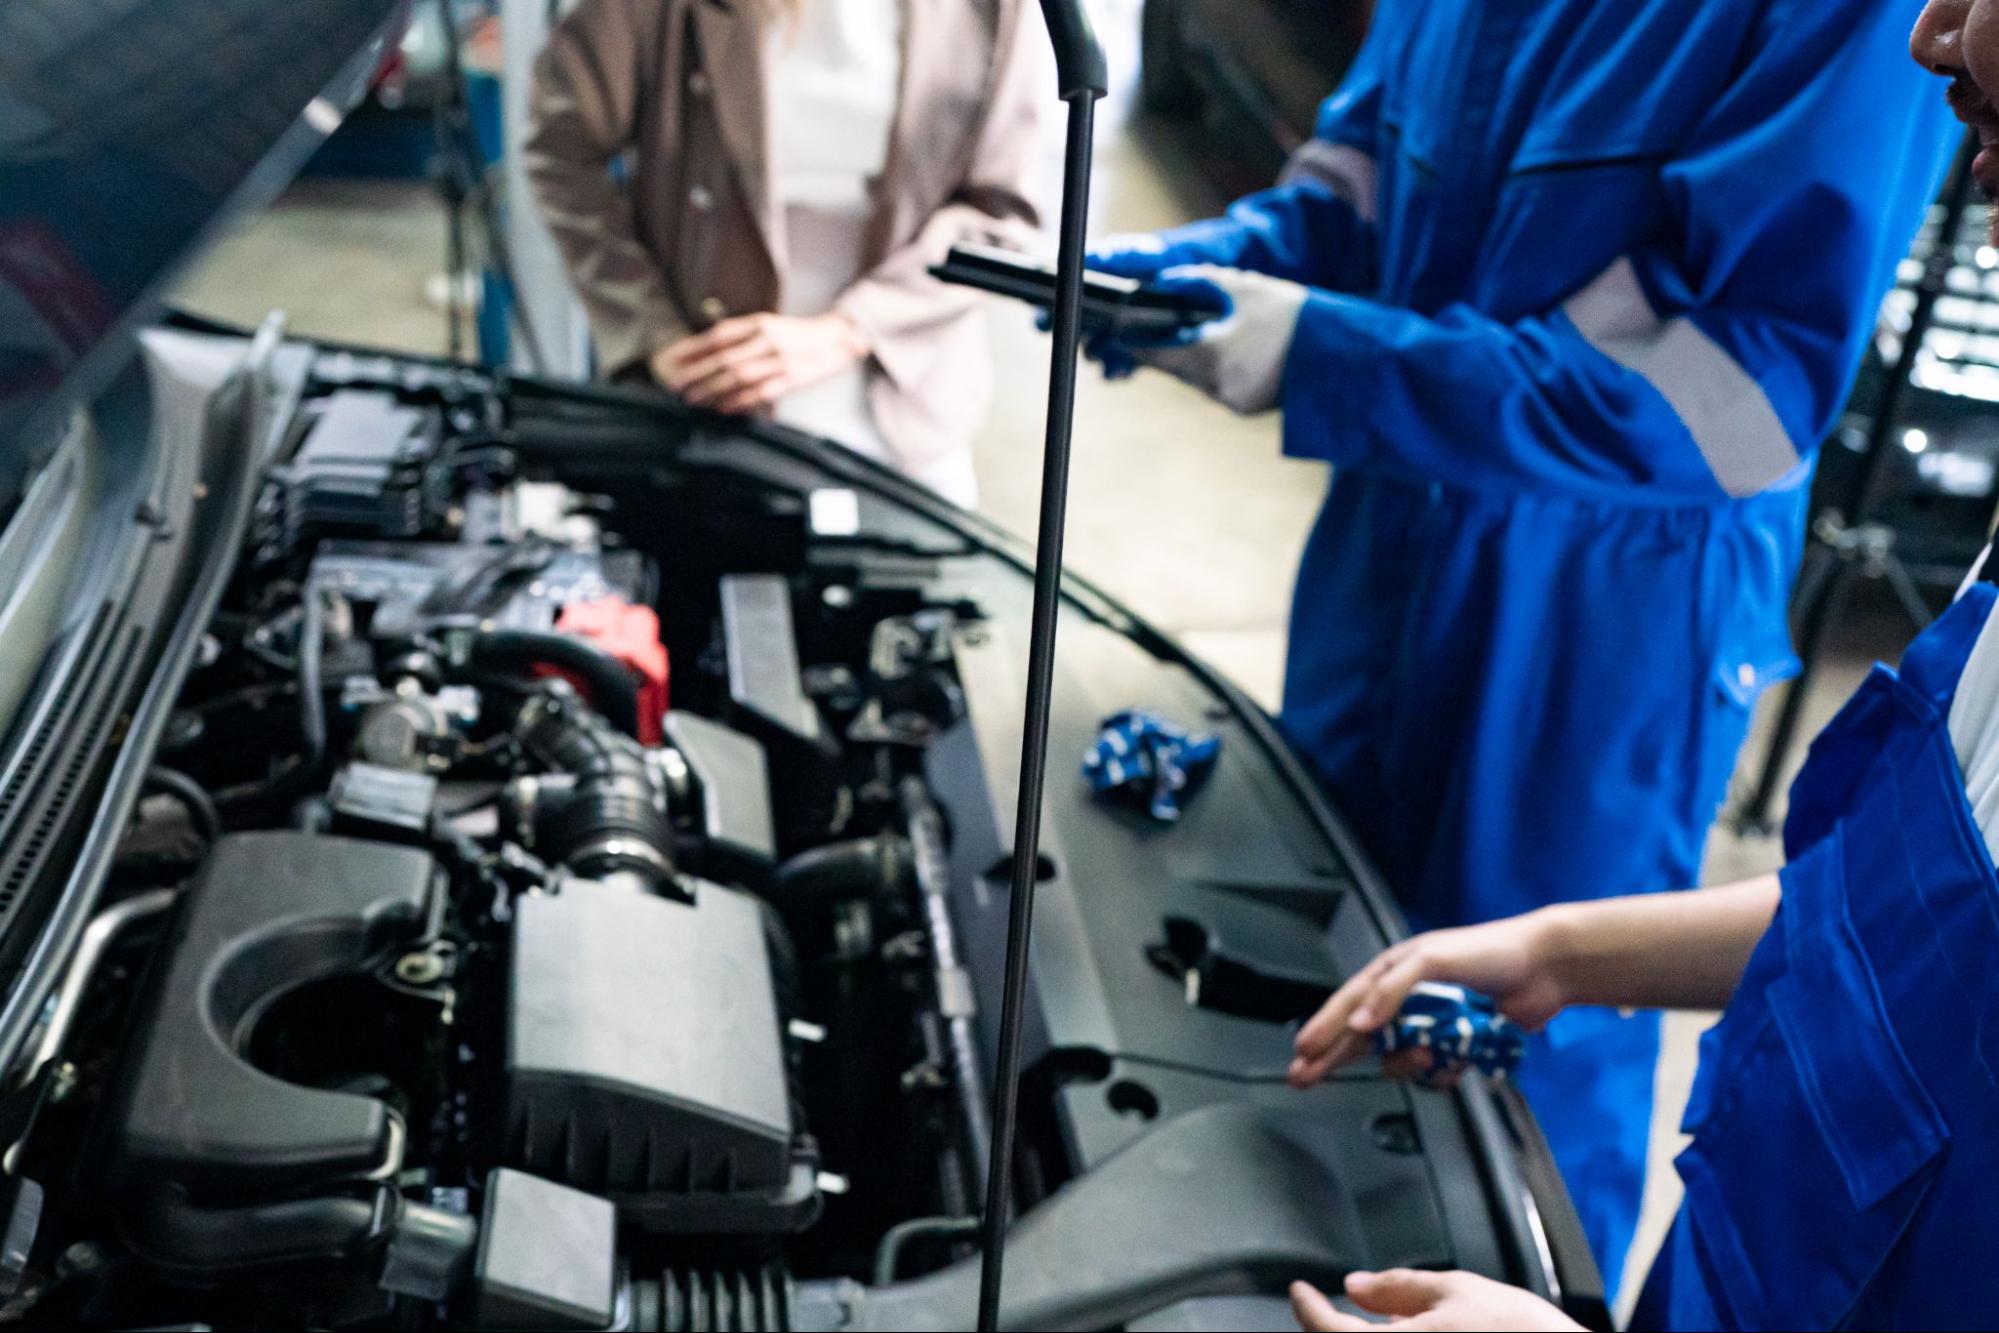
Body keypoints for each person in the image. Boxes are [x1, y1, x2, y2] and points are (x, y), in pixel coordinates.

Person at [1084, 0, 1955, 1294]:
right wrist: (1212, 269)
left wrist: (1316, 350)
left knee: (1524, 1056)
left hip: (1601, 611)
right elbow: (1363, 181)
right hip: (1389, 545)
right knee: (1307, 956)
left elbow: (1732, 387)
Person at [524, 0, 1046, 508]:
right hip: (706, 392)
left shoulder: (992, 10)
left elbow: (996, 209)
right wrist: (650, 328)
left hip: (907, 393)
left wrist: (848, 329)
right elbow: (562, 152)